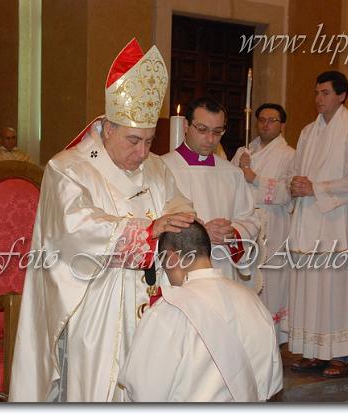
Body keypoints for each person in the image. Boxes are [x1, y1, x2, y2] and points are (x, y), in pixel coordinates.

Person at [9, 39, 195, 402]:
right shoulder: (68, 168)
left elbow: (178, 204)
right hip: (97, 300)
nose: (142, 152)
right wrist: (146, 231)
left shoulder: (156, 167)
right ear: (107, 128)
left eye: (149, 141)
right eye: (133, 140)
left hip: (156, 296)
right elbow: (73, 229)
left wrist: (179, 221)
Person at [118, 221, 283, 402]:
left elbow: (143, 391)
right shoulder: (253, 301)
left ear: (172, 258)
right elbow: (272, 384)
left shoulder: (167, 311)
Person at [287, 70, 348, 378]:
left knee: (335, 288)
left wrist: (316, 189)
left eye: (325, 93)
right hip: (308, 219)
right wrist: (294, 184)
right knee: (310, 287)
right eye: (317, 92)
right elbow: (294, 170)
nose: (318, 98)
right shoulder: (308, 131)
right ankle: (313, 351)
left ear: (341, 95)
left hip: (335, 219)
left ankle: (340, 357)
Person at [161, 97, 259, 287]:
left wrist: (233, 233)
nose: (210, 139)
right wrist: (201, 233)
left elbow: (250, 219)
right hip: (182, 268)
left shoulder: (232, 173)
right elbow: (156, 220)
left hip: (223, 266)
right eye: (202, 129)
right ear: (186, 125)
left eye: (217, 131)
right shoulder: (162, 168)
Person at [231, 103, 295, 344]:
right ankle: (248, 338)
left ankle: (271, 339)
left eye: (272, 120)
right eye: (262, 120)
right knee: (244, 280)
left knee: (271, 282)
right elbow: (230, 185)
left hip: (274, 226)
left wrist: (254, 178)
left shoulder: (290, 155)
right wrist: (239, 170)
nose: (266, 124)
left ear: (282, 125)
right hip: (246, 223)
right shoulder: (243, 152)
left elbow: (288, 192)